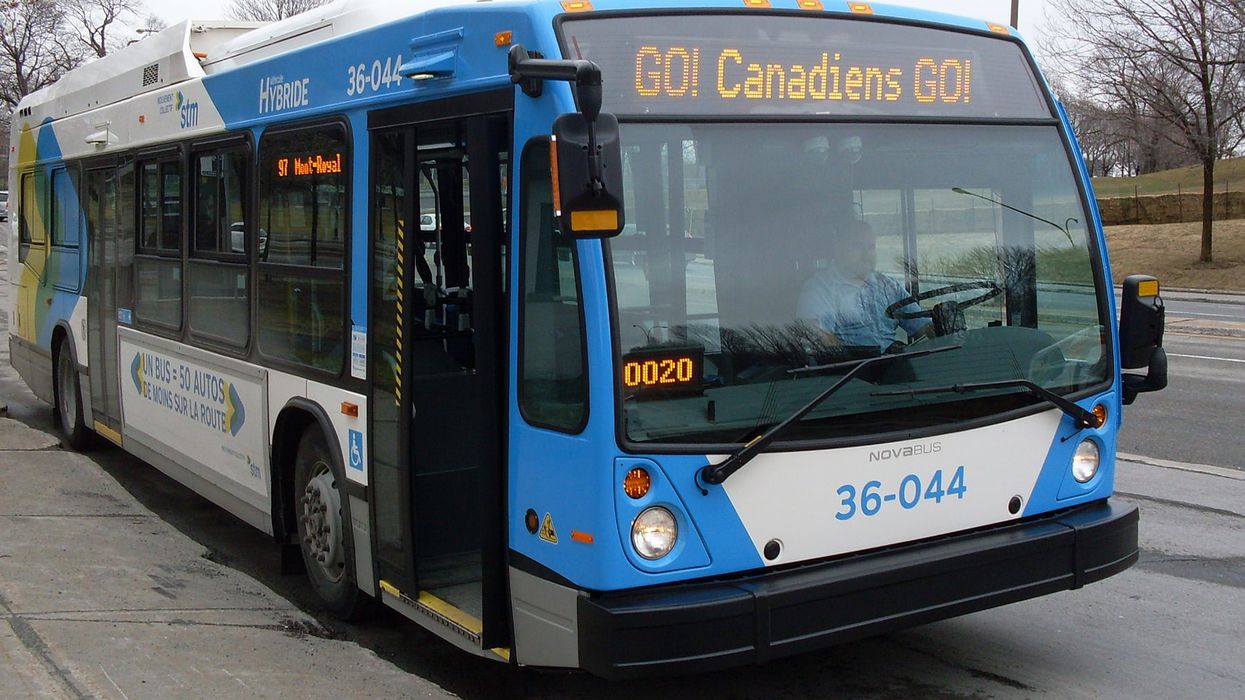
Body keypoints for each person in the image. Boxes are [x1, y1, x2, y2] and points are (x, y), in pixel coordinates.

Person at [796, 220, 932, 352]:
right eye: (857, 246)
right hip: (853, 371)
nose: (866, 254)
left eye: (871, 247)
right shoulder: (819, 289)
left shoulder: (888, 286)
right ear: (838, 248)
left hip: (893, 364)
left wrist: (945, 328)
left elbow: (922, 326)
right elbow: (822, 343)